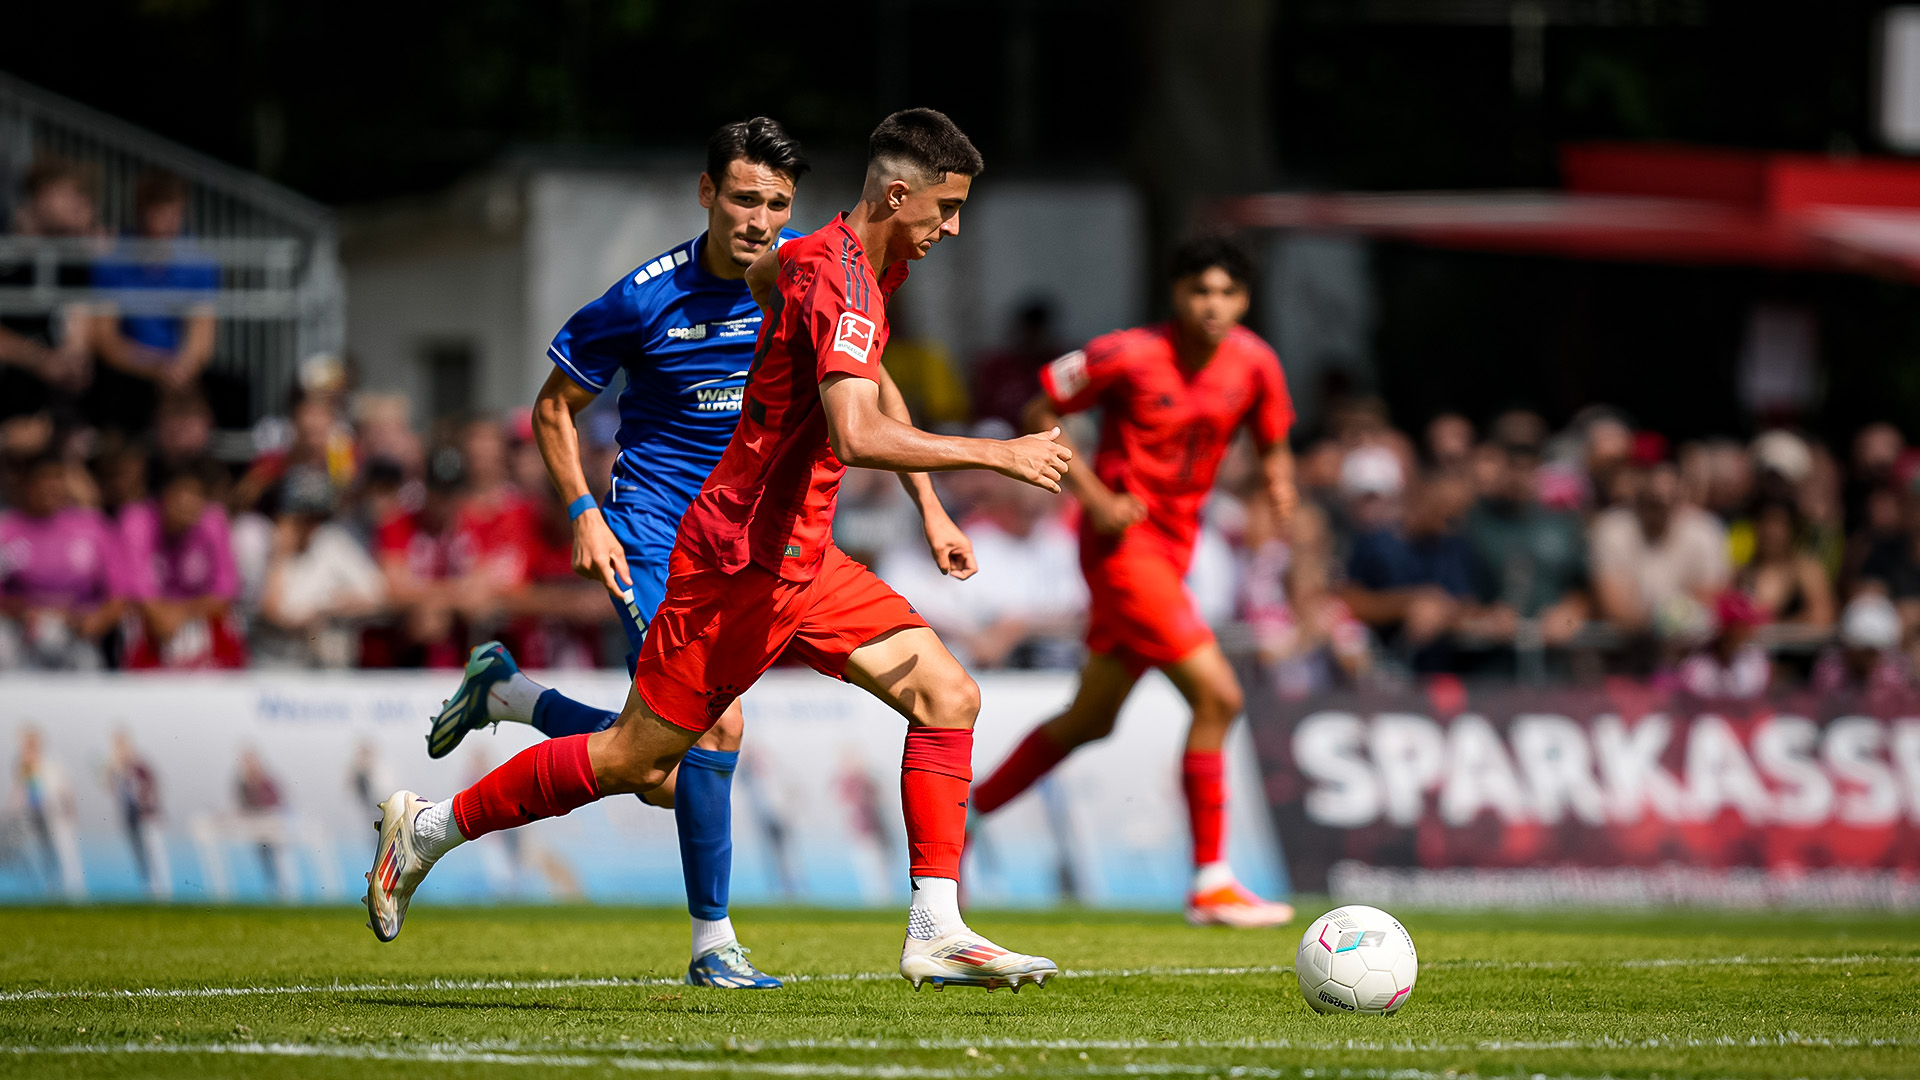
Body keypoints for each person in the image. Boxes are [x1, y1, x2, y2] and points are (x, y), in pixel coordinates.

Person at [375, 110, 1070, 990]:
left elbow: (815, 326)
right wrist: (996, 453)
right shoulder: (809, 281)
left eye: (774, 200)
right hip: (730, 558)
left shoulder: (821, 258)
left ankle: (937, 925)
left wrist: (929, 508)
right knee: (648, 760)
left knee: (946, 693)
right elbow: (854, 431)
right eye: (948, 206)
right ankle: (433, 827)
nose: (954, 226)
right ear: (900, 194)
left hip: (800, 553)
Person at [416, 118, 808, 988]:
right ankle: (716, 946)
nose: (760, 219)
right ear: (707, 193)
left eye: (778, 204)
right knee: (715, 727)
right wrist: (585, 513)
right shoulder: (643, 297)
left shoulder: (802, 282)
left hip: (745, 546)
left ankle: (512, 694)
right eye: (745, 198)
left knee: (667, 771)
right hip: (653, 536)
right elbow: (551, 410)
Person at [969, 235, 1299, 928]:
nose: (1213, 305)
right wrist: (1091, 497)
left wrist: (1278, 483)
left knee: (1091, 718)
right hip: (1122, 549)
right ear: (1176, 293)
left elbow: (1273, 438)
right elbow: (1039, 413)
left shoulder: (1256, 363)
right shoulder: (1125, 353)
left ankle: (962, 819)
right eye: (1199, 291)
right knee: (1219, 695)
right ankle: (1211, 881)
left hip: (1177, 551)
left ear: (1244, 300)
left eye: (1227, 293)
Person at [87, 170, 220, 433]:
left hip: (179, 373)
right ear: (141, 212)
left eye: (174, 213)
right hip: (129, 374)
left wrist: (181, 368)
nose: (167, 223)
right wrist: (155, 367)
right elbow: (105, 338)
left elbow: (202, 338)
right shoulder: (113, 259)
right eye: (159, 212)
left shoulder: (199, 262)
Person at [0, 455, 132, 670]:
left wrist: (97, 621)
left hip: (81, 633)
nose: (50, 487)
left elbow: (121, 593)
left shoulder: (92, 527)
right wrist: (26, 611)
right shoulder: (6, 530)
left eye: (57, 479)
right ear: (26, 484)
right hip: (21, 635)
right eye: (43, 479)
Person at [120, 459, 246, 668]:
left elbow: (226, 587)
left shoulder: (214, 521)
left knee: (229, 618)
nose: (188, 503)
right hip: (151, 617)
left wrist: (184, 613)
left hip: (200, 613)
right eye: (180, 495)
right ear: (162, 497)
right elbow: (136, 584)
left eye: (196, 496)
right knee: (133, 618)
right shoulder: (137, 520)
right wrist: (160, 614)